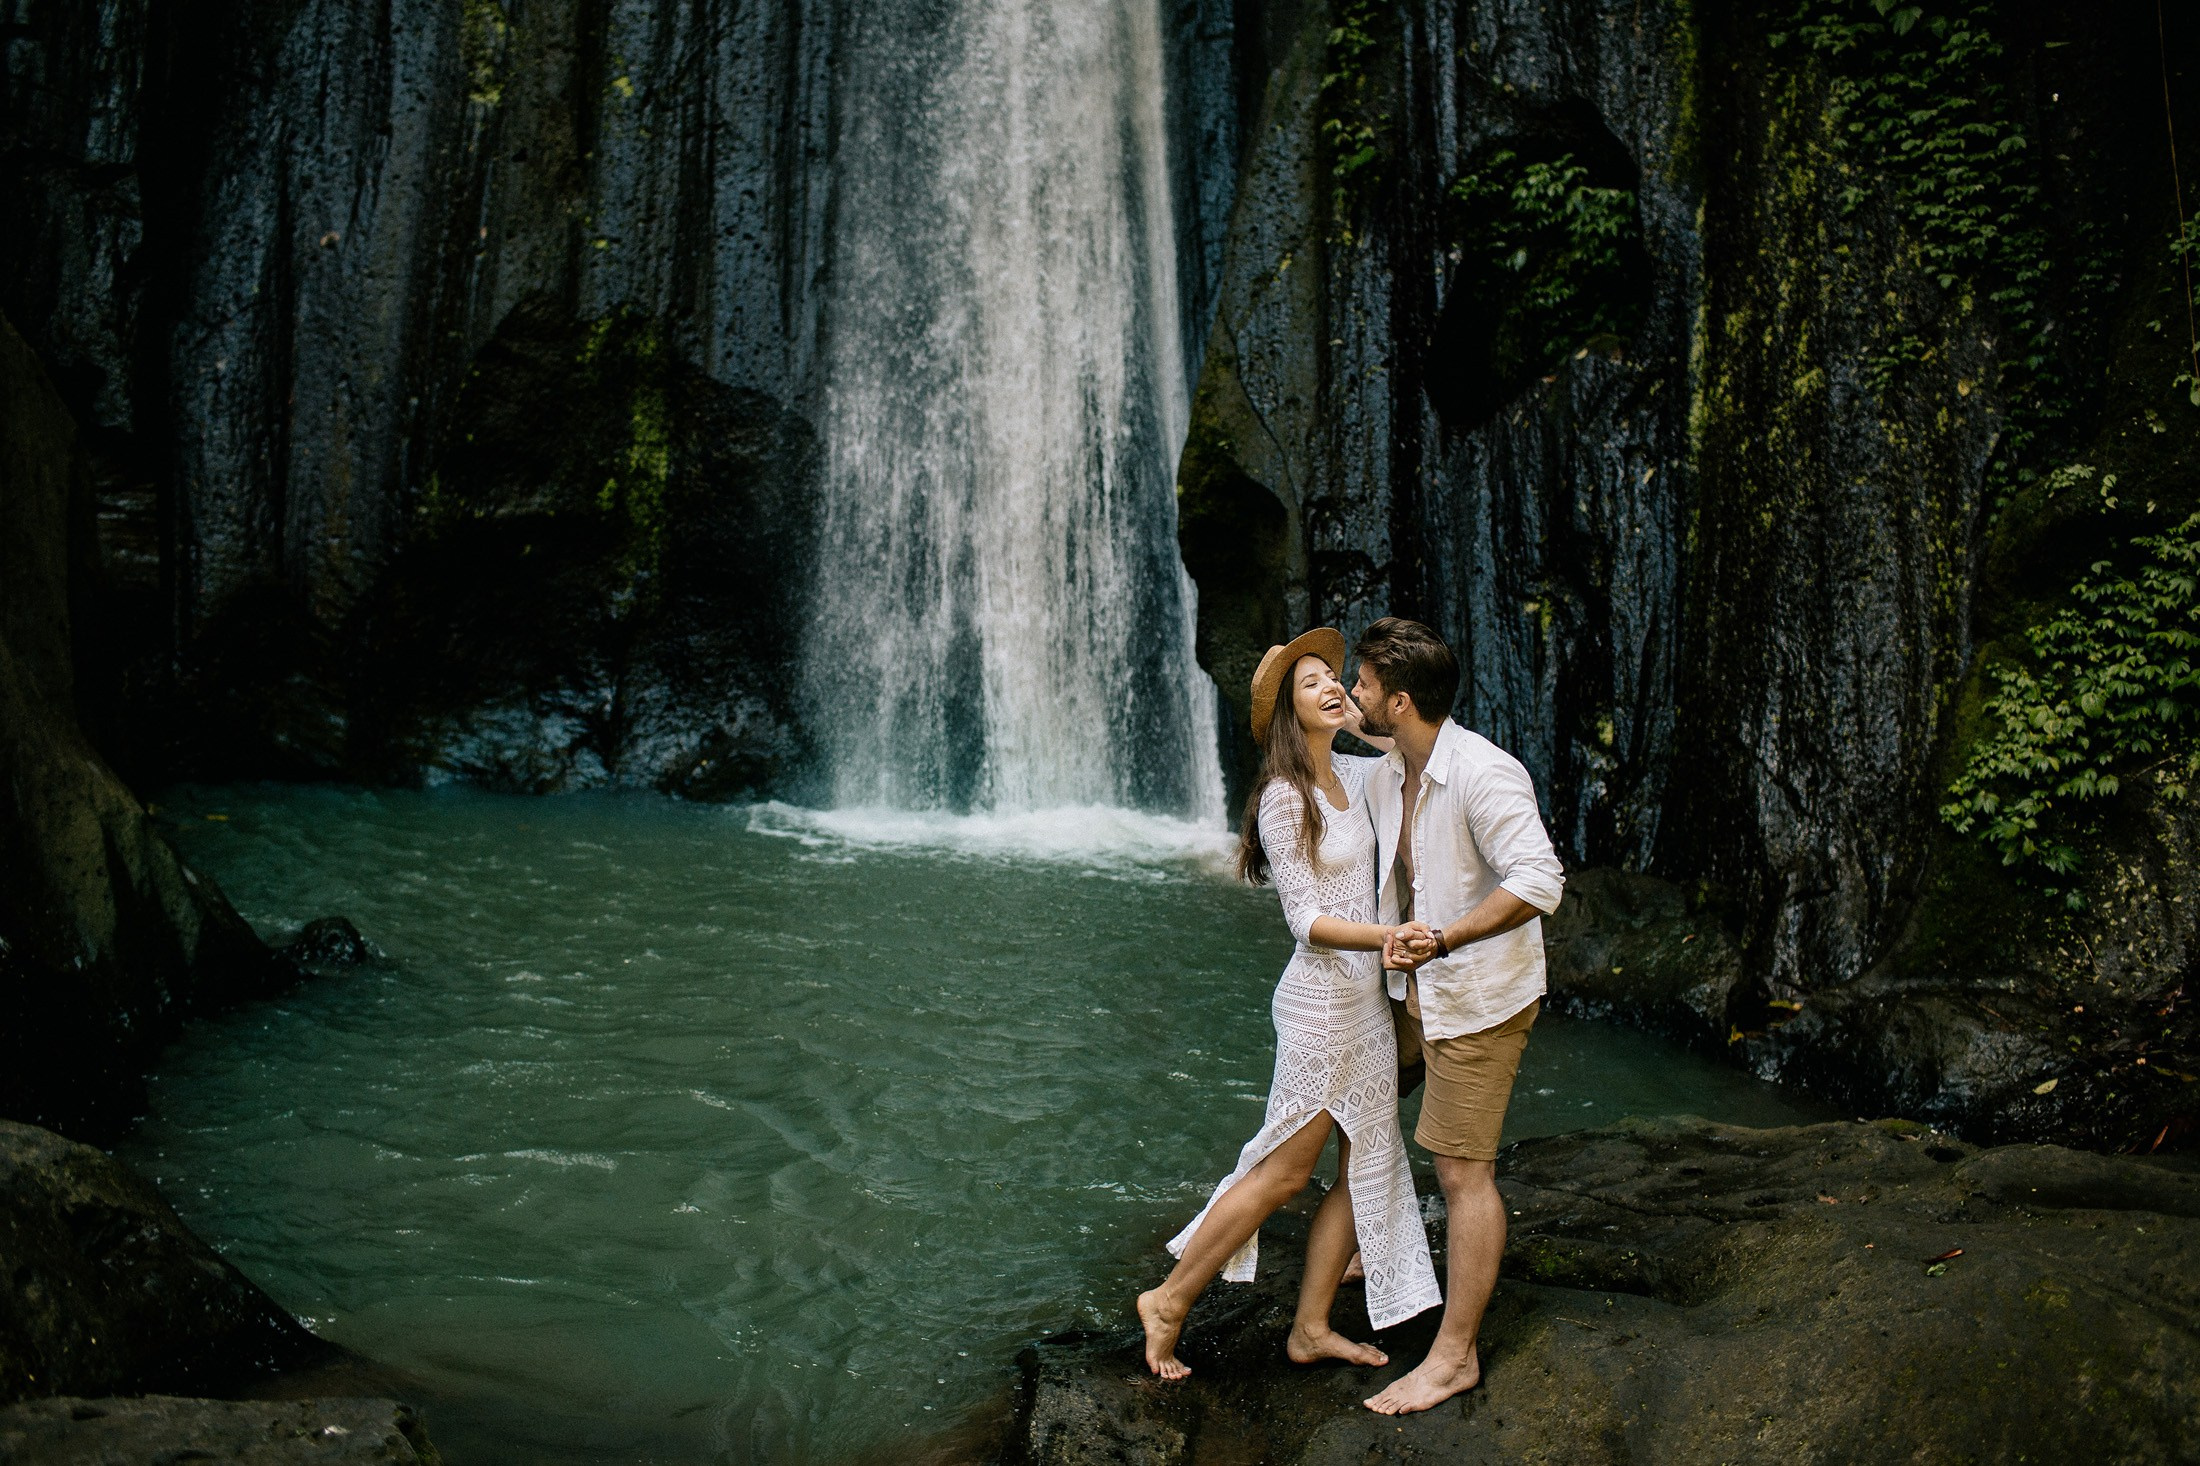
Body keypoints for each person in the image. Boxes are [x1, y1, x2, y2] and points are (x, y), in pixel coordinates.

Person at [1137, 628, 1443, 1380]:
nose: (1332, 686)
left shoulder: (1358, 774)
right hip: (1319, 1003)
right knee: (1283, 1173)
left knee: (1367, 1158)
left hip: (1366, 1001)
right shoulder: (1284, 796)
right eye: (1312, 684)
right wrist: (1387, 937)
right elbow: (1304, 920)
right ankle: (1168, 1300)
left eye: (1335, 677)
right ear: (1286, 711)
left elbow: (1407, 749)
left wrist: (1358, 715)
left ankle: (1310, 1327)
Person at [1348, 616, 1565, 1414]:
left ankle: (1454, 1356)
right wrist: (1292, 677)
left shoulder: (1484, 774)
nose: (1353, 694)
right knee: (1356, 1106)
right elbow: (1338, 723)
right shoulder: (1396, 761)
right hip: (1412, 992)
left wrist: (1444, 938)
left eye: (1363, 684)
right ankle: (1374, 1244)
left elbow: (1540, 880)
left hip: (1476, 998)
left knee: (1462, 1173)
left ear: (1400, 702)